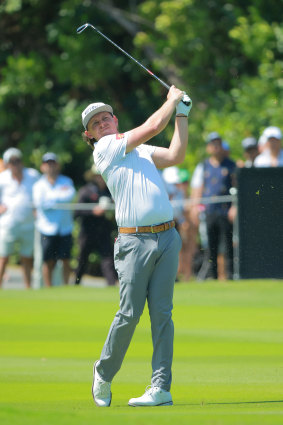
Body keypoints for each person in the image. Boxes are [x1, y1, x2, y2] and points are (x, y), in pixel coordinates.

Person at [81, 85, 191, 407]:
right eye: (94, 123)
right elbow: (154, 126)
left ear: (115, 120)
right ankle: (103, 372)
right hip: (134, 241)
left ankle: (160, 387)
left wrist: (181, 115)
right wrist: (171, 100)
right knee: (129, 314)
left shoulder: (139, 150)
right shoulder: (105, 149)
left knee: (162, 314)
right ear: (90, 135)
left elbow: (175, 155)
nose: (102, 123)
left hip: (168, 237)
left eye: (105, 118)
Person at [190, 132, 236, 280]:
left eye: (218, 144)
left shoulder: (231, 165)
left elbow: (237, 188)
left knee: (228, 245)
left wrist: (234, 207)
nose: (216, 147)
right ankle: (213, 276)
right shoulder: (203, 166)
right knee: (211, 246)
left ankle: (230, 275)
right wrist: (195, 207)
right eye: (213, 144)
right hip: (210, 211)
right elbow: (198, 188)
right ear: (209, 147)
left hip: (226, 211)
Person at [32, 153, 76, 287]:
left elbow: (69, 196)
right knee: (48, 261)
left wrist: (51, 198)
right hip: (47, 228)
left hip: (65, 228)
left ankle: (65, 286)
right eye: (47, 164)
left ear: (57, 165)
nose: (50, 166)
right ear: (42, 167)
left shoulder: (66, 181)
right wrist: (58, 197)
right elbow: (41, 204)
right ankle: (48, 287)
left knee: (65, 259)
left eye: (53, 163)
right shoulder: (38, 185)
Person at [0, 148, 40, 288]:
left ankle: (27, 288)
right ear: (6, 164)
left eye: (17, 160)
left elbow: (41, 191)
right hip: (7, 224)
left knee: (27, 258)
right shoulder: (2, 178)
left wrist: (37, 209)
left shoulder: (33, 175)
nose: (15, 164)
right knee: (4, 257)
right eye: (12, 161)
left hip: (28, 224)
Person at [74, 165, 117, 286]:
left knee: (108, 259)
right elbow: (77, 212)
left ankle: (111, 285)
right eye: (98, 176)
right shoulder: (86, 191)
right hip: (87, 232)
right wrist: (93, 211)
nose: (100, 179)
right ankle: (75, 284)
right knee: (82, 259)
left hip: (104, 230)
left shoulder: (110, 191)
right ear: (93, 177)